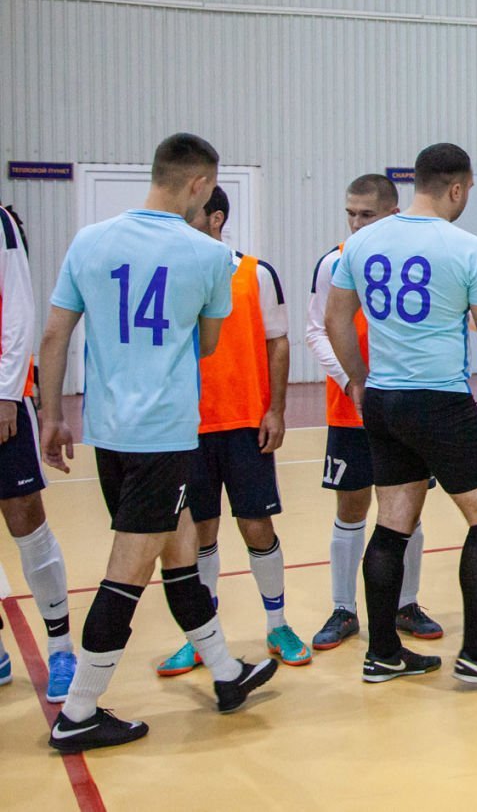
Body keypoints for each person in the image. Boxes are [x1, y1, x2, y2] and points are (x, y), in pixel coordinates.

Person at [39, 133, 278, 752]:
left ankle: (225, 671)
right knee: (127, 573)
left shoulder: (90, 240)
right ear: (200, 185)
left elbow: (55, 335)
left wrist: (51, 415)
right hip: (164, 436)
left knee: (180, 553)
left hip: (109, 433)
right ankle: (79, 711)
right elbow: (206, 344)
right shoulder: (209, 256)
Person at [326, 143, 477, 687]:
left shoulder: (362, 241)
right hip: (440, 400)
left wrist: (359, 377)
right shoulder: (467, 249)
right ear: (458, 189)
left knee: (393, 522)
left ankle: (383, 653)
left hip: (383, 399)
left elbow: (335, 320)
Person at [155, 186, 310, 676]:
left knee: (256, 526)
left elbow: (278, 344)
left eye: (190, 214)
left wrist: (276, 410)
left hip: (245, 424)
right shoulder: (171, 272)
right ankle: (203, 638)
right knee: (198, 533)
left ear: (216, 218)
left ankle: (278, 625)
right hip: (188, 427)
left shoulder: (256, 274)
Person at [304, 174, 441, 650]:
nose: (357, 223)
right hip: (351, 407)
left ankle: (406, 603)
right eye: (351, 214)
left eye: (367, 214)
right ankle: (343, 608)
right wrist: (352, 380)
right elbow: (317, 329)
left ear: (392, 214)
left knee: (407, 506)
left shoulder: (414, 259)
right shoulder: (333, 262)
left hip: (403, 405)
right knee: (351, 505)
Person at [0, 201, 76, 702]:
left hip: (2, 401)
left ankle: (62, 648)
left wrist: (7, 392)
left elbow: (18, 309)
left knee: (26, 519)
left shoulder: (0, 223)